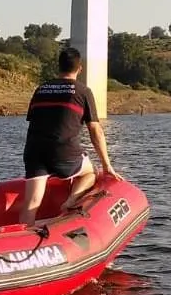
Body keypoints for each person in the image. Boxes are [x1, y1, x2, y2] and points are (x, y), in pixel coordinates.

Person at [19, 45, 121, 225]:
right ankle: (71, 200)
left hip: (34, 151)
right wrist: (107, 166)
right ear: (79, 68)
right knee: (91, 172)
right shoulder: (83, 91)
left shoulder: (41, 89)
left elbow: (34, 120)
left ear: (58, 66)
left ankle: (20, 240)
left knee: (31, 203)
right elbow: (95, 130)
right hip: (63, 153)